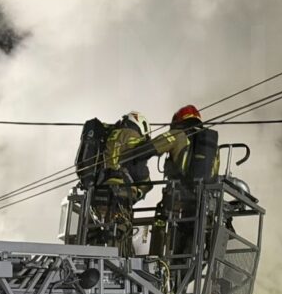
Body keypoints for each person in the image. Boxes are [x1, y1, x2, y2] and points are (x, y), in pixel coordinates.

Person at [75, 111, 156, 253]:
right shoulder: (133, 136)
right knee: (119, 238)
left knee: (99, 232)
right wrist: (145, 186)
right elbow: (138, 169)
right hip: (119, 196)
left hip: (98, 192)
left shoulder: (110, 134)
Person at [149, 105, 219, 259]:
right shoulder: (212, 146)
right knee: (190, 255)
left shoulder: (178, 135)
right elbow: (215, 174)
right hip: (201, 208)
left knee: (162, 222)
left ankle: (155, 262)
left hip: (176, 204)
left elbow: (150, 148)